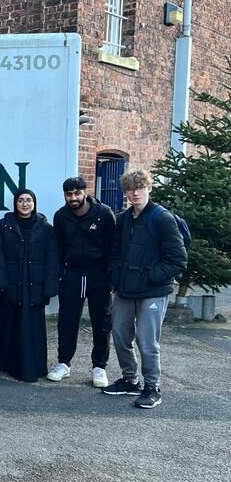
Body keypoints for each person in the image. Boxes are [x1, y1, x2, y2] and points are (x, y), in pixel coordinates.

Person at [104, 170, 187, 409]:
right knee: (120, 334)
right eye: (130, 189)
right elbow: (116, 252)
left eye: (139, 187)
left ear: (149, 188)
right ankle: (130, 379)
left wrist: (150, 277)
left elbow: (177, 259)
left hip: (153, 290)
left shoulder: (161, 218)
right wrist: (116, 275)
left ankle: (152, 387)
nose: (134, 193)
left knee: (146, 341)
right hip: (125, 289)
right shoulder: (124, 219)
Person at [48, 176, 116, 387]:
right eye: (69, 194)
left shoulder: (103, 213)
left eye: (77, 193)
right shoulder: (61, 216)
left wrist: (110, 276)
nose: (73, 197)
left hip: (98, 274)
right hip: (73, 273)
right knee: (67, 321)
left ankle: (99, 367)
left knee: (101, 322)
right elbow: (58, 248)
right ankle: (64, 363)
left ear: (85, 192)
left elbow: (114, 246)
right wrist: (59, 274)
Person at [0, 189, 59, 382]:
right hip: (12, 285)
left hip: (34, 287)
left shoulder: (46, 228)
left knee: (34, 329)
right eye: (21, 200)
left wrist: (50, 287)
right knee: (11, 325)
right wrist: (2, 283)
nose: (25, 204)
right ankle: (7, 364)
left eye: (29, 200)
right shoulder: (3, 226)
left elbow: (52, 259)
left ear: (34, 203)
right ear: (15, 203)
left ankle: (34, 367)